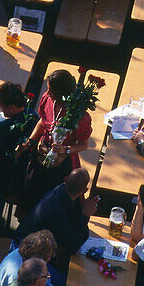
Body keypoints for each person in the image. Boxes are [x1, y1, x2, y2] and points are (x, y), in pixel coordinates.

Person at [20, 74, 92, 206]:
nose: (47, 93)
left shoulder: (80, 115)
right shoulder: (47, 100)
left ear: (62, 92)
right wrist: (30, 141)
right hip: (42, 154)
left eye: (51, 90)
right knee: (33, 194)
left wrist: (66, 149)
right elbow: (43, 122)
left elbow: (84, 144)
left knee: (57, 202)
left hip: (63, 161)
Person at [15, 171, 97, 260]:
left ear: (66, 179)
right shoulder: (57, 209)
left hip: (31, 242)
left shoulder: (61, 190)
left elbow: (72, 226)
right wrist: (85, 215)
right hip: (24, 250)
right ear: (84, 190)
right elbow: (72, 246)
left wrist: (82, 212)